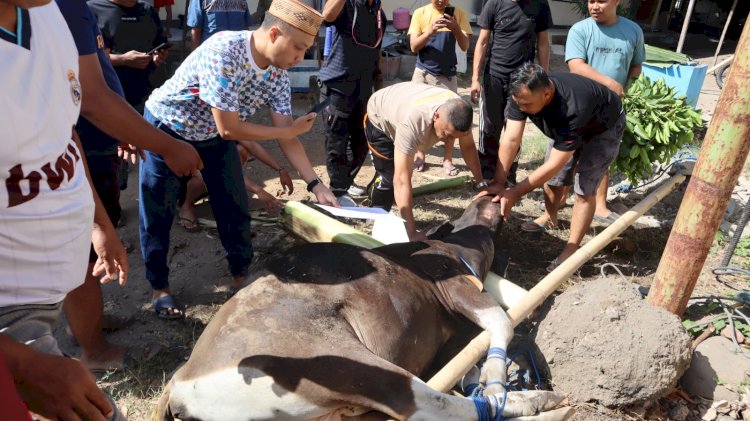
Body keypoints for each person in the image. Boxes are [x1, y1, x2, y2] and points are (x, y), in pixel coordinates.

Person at [141, 0, 336, 319]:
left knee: (233, 203)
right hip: (169, 127)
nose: (300, 58)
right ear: (274, 33)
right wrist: (285, 132)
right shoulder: (225, 50)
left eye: (306, 51)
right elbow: (229, 128)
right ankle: (159, 287)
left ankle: (241, 275)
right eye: (298, 49)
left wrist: (316, 185)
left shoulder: (277, 74)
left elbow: (287, 135)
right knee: (158, 209)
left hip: (212, 136)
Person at [55, 0, 203, 372]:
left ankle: (86, 327)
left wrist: (120, 124)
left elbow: (95, 76)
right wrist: (166, 145)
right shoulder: (65, 7)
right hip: (79, 142)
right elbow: (91, 96)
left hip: (93, 134)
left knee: (91, 241)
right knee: (83, 251)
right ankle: (93, 349)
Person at [0, 0, 129, 418]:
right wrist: (21, 365)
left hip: (49, 290)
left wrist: (99, 223)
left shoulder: (46, 13)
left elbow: (62, 130)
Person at [482, 64, 625, 272]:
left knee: (584, 190)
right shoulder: (521, 95)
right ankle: (551, 216)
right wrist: (498, 182)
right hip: (562, 128)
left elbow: (553, 164)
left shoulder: (574, 106)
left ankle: (571, 249)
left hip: (603, 129)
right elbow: (511, 139)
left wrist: (514, 192)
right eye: (518, 103)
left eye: (526, 105)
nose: (521, 109)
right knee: (554, 181)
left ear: (547, 94)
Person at [549, 0, 643, 227]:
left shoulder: (633, 31)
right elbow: (576, 65)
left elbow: (636, 65)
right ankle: (552, 210)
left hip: (610, 111)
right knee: (564, 158)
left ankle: (600, 205)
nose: (595, 6)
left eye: (601, 0)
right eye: (591, 1)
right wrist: (610, 83)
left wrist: (628, 88)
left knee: (600, 159)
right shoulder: (580, 30)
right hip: (578, 107)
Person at [365, 82, 485, 240]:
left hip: (403, 104)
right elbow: (401, 180)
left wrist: (481, 183)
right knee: (389, 177)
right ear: (436, 116)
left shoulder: (460, 114)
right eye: (447, 134)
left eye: (456, 137)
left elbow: (468, 147)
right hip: (380, 116)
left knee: (395, 175)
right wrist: (412, 233)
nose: (450, 141)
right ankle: (376, 213)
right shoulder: (413, 122)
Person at [470, 0, 552, 182]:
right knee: (489, 128)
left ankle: (508, 174)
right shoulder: (494, 4)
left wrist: (543, 79)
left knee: (514, 129)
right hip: (494, 77)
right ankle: (486, 175)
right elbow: (482, 42)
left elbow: (544, 43)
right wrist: (475, 78)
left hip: (522, 83)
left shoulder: (539, 5)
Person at [318, 0, 386, 206]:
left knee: (362, 142)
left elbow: (377, 53)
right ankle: (338, 192)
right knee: (337, 143)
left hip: (364, 88)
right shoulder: (347, 5)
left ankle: (344, 183)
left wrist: (379, 91)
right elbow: (327, 16)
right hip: (338, 86)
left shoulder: (377, 11)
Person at [408, 0, 472, 176]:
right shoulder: (421, 13)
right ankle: (421, 154)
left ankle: (448, 159)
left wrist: (455, 28)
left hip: (447, 76)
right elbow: (414, 46)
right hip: (423, 73)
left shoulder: (458, 13)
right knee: (420, 117)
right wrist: (430, 31)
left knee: (451, 119)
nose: (441, 1)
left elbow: (465, 45)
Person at [178, 141, 294, 230]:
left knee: (240, 149)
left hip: (217, 168)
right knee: (202, 176)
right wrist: (258, 190)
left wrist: (280, 170)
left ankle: (222, 189)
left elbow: (251, 144)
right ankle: (186, 205)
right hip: (189, 178)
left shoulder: (226, 117)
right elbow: (213, 170)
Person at [88, 0, 168, 111]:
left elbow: (159, 44)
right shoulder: (92, 10)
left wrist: (158, 56)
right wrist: (123, 59)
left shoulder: (147, 10)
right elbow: (86, 59)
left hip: (147, 94)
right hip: (110, 94)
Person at [187, 0, 252, 51]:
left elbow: (245, 29)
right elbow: (196, 31)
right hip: (212, 55)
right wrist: (197, 60)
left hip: (238, 54)